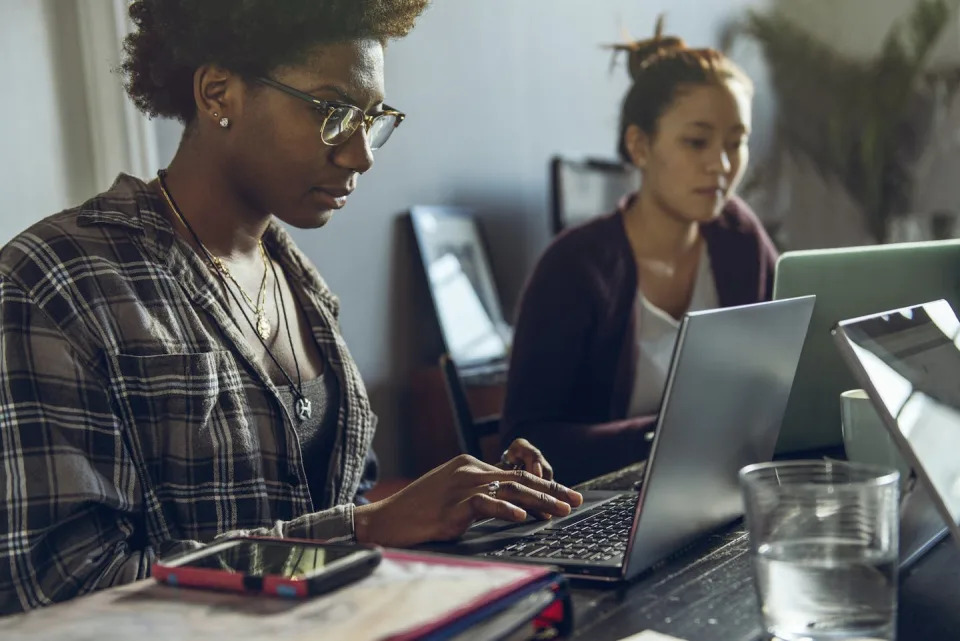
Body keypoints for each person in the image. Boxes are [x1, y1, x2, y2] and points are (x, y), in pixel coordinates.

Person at [0, 0, 581, 614]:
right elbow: (60, 587)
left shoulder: (301, 286)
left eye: (372, 117)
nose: (361, 155)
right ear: (218, 93)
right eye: (333, 112)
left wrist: (465, 504)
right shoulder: (58, 281)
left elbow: (342, 509)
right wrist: (364, 528)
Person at [500, 22, 778, 485]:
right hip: (594, 505)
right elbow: (527, 441)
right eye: (697, 141)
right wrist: (666, 436)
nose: (722, 165)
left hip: (718, 489)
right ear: (640, 145)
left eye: (736, 142)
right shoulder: (574, 266)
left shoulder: (740, 239)